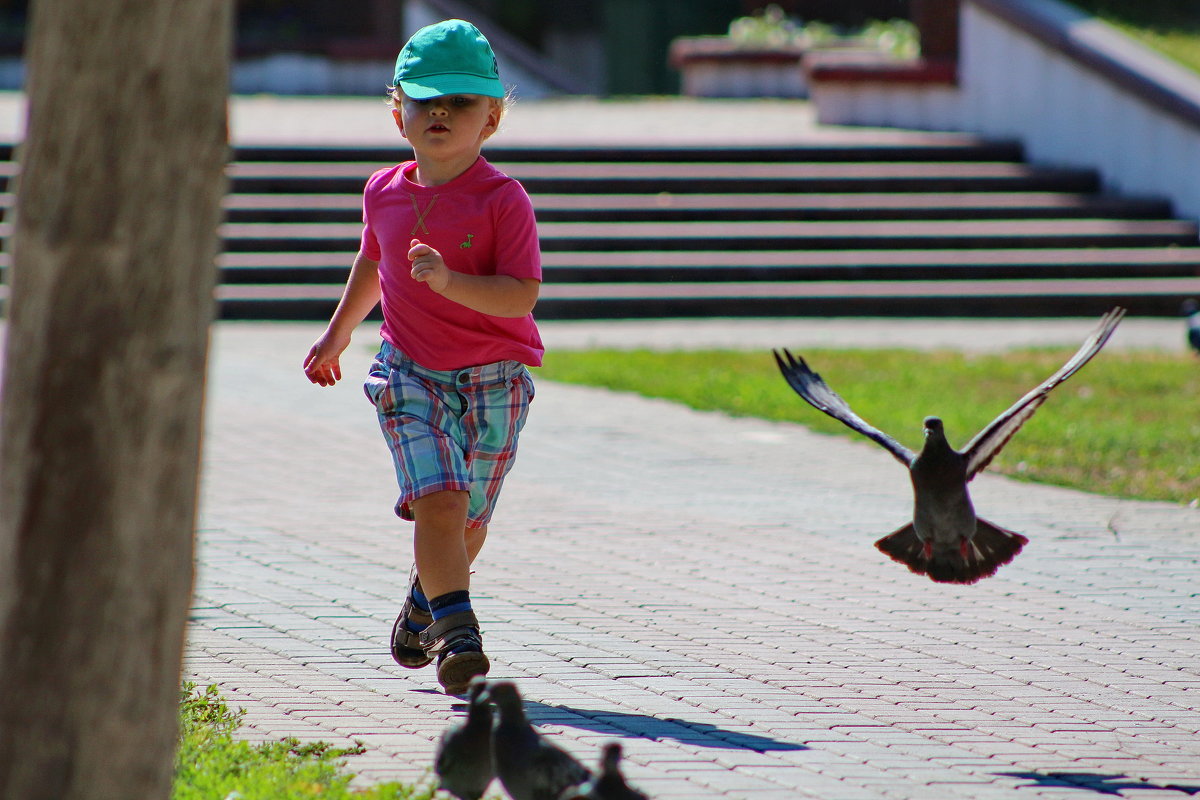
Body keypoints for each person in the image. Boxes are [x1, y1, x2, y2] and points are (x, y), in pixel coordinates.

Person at [302, 19, 543, 695]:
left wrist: (450, 282)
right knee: (439, 502)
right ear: (396, 112)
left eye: (460, 102)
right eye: (424, 99)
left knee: (467, 522)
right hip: (409, 375)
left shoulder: (503, 200)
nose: (440, 112)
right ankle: (461, 637)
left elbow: (520, 296)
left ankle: (427, 603)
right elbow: (372, 260)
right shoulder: (382, 189)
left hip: (497, 382)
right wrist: (339, 332)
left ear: (491, 118)